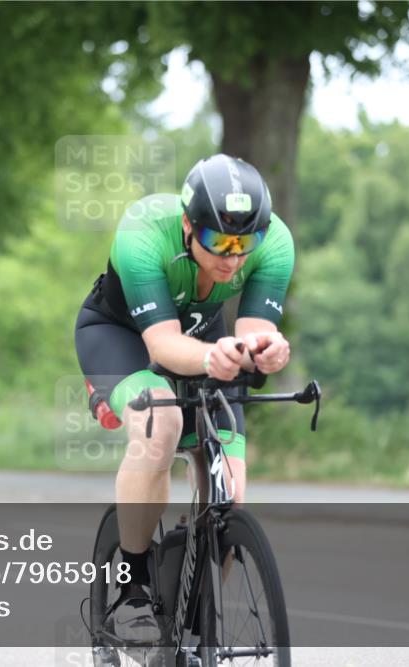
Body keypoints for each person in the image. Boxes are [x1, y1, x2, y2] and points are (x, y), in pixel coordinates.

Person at [74, 154, 295, 642]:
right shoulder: (143, 233)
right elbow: (162, 347)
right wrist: (215, 356)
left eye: (245, 244)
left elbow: (255, 329)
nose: (233, 258)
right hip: (123, 337)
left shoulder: (275, 240)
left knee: (230, 494)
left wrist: (265, 348)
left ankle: (196, 611)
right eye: (218, 242)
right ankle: (133, 590)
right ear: (186, 225)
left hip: (203, 335)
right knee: (162, 426)